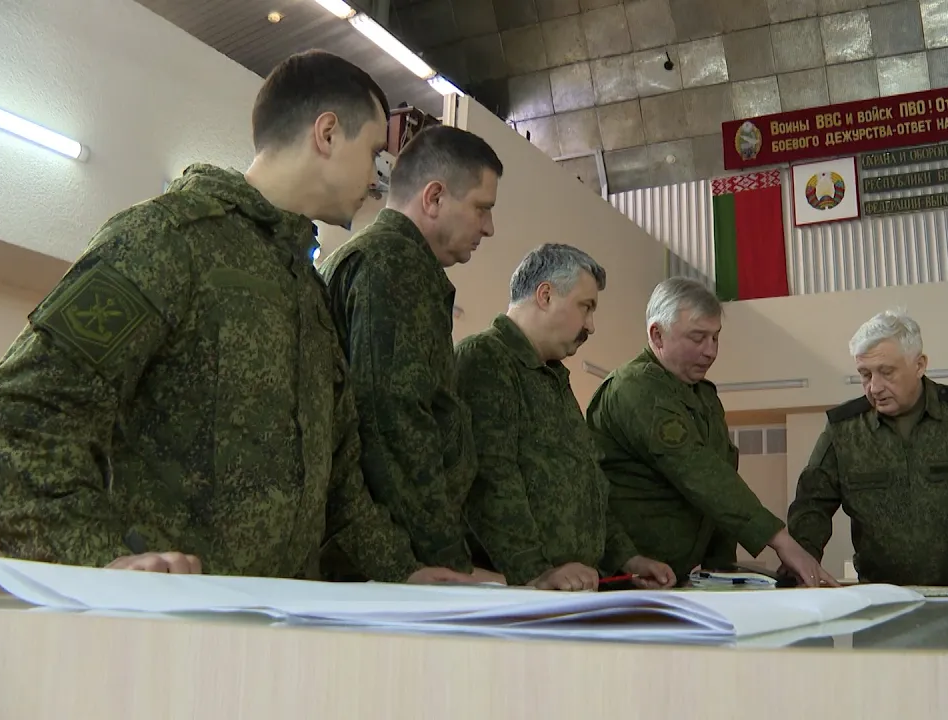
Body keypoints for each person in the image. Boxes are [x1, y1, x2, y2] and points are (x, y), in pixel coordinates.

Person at [0, 50, 467, 583]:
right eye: (375, 153)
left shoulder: (308, 292)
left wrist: (406, 572)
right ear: (328, 134)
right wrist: (99, 560)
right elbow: (22, 415)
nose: (378, 179)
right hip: (170, 618)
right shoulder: (167, 241)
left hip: (281, 621)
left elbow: (338, 487)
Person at [318, 124, 501, 580]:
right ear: (434, 197)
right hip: (388, 561)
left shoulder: (382, 259)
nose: (489, 228)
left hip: (382, 551)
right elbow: (393, 426)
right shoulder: (394, 266)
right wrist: (446, 559)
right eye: (482, 208)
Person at [586, 277, 836, 587]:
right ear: (657, 334)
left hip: (676, 580)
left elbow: (721, 483)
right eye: (698, 337)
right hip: (630, 576)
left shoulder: (703, 397)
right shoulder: (635, 387)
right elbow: (699, 472)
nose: (711, 351)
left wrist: (722, 570)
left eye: (715, 337)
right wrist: (782, 541)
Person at [454, 244, 676, 591]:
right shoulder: (485, 359)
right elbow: (491, 479)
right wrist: (534, 572)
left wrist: (627, 559)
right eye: (585, 307)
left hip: (565, 589)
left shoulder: (553, 376)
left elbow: (588, 487)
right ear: (545, 295)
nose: (591, 325)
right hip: (513, 593)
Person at [787, 310, 948, 587]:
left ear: (919, 365)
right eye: (865, 374)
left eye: (886, 372)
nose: (874, 387)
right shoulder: (844, 430)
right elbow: (811, 505)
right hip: (880, 596)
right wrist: (802, 562)